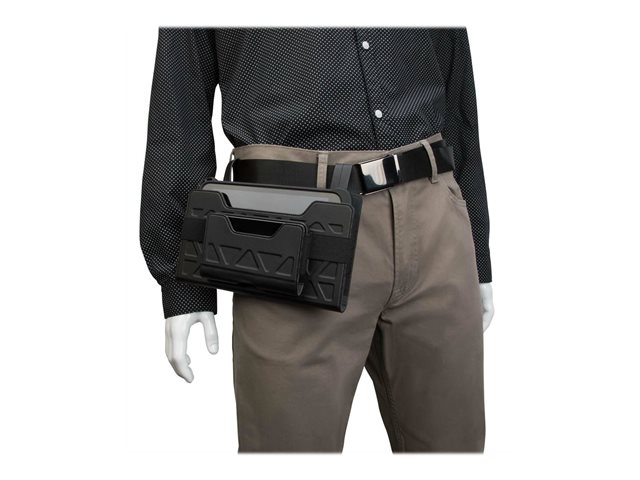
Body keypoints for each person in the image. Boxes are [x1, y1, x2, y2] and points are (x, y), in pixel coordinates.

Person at [140, 27, 494, 452]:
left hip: (435, 219)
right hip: (292, 234)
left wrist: (477, 247)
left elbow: (456, 86)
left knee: (455, 448)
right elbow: (178, 108)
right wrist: (181, 280)